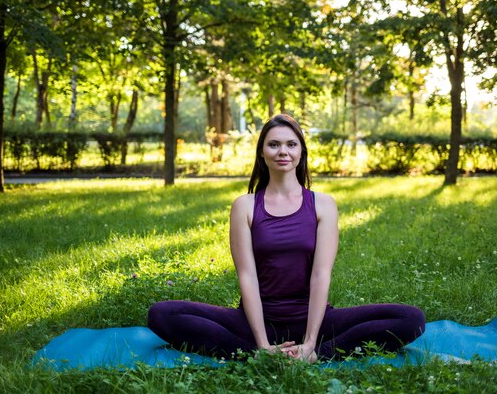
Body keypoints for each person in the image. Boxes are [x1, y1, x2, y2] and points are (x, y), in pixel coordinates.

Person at [148, 113, 425, 362]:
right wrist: (262, 343)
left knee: (411, 319)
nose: (283, 151)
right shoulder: (244, 206)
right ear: (262, 153)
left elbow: (321, 275)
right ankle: (259, 353)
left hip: (313, 319)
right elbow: (247, 276)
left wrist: (311, 343)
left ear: (301, 152)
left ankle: (316, 355)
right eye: (274, 144)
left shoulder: (323, 205)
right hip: (255, 321)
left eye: (291, 144)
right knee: (161, 314)